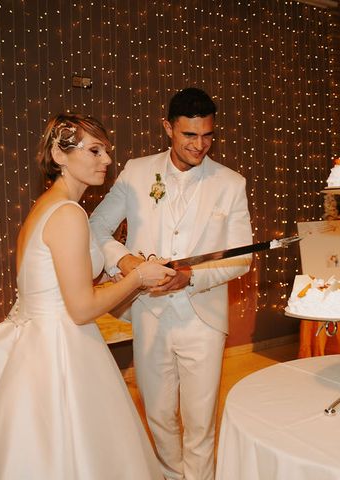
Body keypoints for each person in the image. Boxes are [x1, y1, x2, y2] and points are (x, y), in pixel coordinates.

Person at [0, 113, 174, 480]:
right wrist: (138, 277)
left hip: (34, 337)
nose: (107, 160)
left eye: (107, 151)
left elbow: (60, 282)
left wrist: (115, 272)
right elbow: (82, 309)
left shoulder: (46, 207)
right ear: (59, 154)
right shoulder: (68, 214)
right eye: (95, 150)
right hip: (60, 348)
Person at [90, 88, 253, 480]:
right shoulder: (137, 171)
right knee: (159, 412)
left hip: (203, 317)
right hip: (148, 311)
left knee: (200, 420)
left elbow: (241, 257)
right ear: (168, 128)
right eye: (189, 136)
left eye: (208, 135)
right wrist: (129, 264)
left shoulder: (231, 183)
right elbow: (96, 227)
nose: (200, 145)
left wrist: (190, 277)